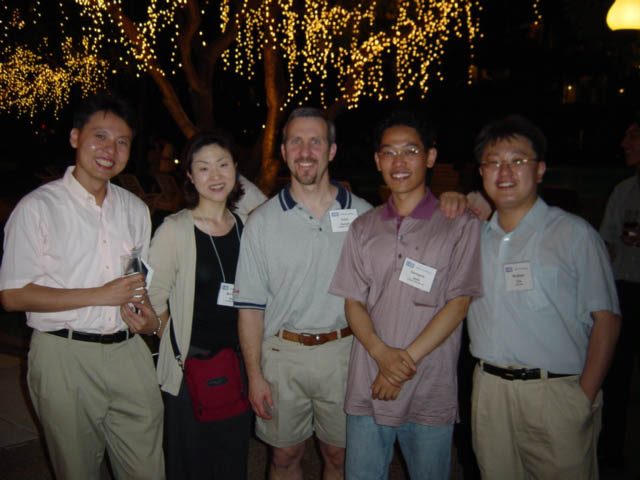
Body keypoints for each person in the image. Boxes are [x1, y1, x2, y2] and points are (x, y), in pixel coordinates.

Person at [0, 93, 165, 479]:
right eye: (100, 136)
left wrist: (149, 320)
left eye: (122, 142)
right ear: (76, 137)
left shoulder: (136, 209)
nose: (111, 150)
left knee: (148, 469)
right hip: (64, 355)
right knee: (76, 469)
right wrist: (100, 295)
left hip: (129, 353)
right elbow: (12, 295)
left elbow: (137, 279)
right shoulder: (38, 208)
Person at [328, 111, 483, 479]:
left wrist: (399, 367)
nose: (399, 162)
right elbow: (353, 301)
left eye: (410, 151)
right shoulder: (363, 227)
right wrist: (382, 355)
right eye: (389, 152)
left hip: (429, 383)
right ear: (377, 160)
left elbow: (459, 303)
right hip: (369, 381)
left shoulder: (459, 223)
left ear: (430, 157)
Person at [466, 115, 621, 479]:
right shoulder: (474, 238)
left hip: (556, 393)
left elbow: (607, 319)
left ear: (539, 170)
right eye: (493, 162)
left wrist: (582, 398)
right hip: (490, 394)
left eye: (518, 160)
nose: (505, 171)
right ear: (482, 173)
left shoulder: (573, 234)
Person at [234, 107, 371, 479]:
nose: (305, 151)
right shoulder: (261, 222)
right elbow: (250, 309)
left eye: (315, 141)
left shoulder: (363, 216)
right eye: (296, 141)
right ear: (283, 151)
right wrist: (255, 375)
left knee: (339, 456)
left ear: (332, 150)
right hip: (282, 354)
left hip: (344, 353)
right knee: (284, 456)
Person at [148, 132, 251, 479]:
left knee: (231, 462)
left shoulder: (244, 226)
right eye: (204, 168)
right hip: (191, 370)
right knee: (191, 464)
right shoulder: (175, 230)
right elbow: (152, 298)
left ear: (236, 168)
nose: (215, 175)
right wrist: (177, 343)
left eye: (223, 165)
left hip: (237, 366)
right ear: (190, 176)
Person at [598, 116, 640, 471]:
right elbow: (608, 244)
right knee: (617, 377)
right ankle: (610, 457)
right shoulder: (624, 191)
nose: (625, 143)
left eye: (633, 136)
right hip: (624, 290)